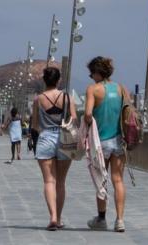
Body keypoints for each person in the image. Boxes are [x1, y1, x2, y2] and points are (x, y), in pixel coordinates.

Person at [84, 56, 131, 233]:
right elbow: (128, 113)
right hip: (119, 141)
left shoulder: (93, 90)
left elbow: (88, 114)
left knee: (101, 181)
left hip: (100, 143)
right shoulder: (121, 89)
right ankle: (120, 220)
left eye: (91, 73)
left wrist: (89, 121)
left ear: (97, 72)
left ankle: (101, 219)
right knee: (118, 179)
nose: (91, 77)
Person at [32, 67, 76, 231]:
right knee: (61, 182)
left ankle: (52, 217)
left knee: (49, 180)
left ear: (44, 80)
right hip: (64, 139)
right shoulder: (67, 97)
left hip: (45, 138)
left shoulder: (38, 99)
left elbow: (35, 124)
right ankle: (59, 218)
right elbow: (74, 119)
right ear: (59, 81)